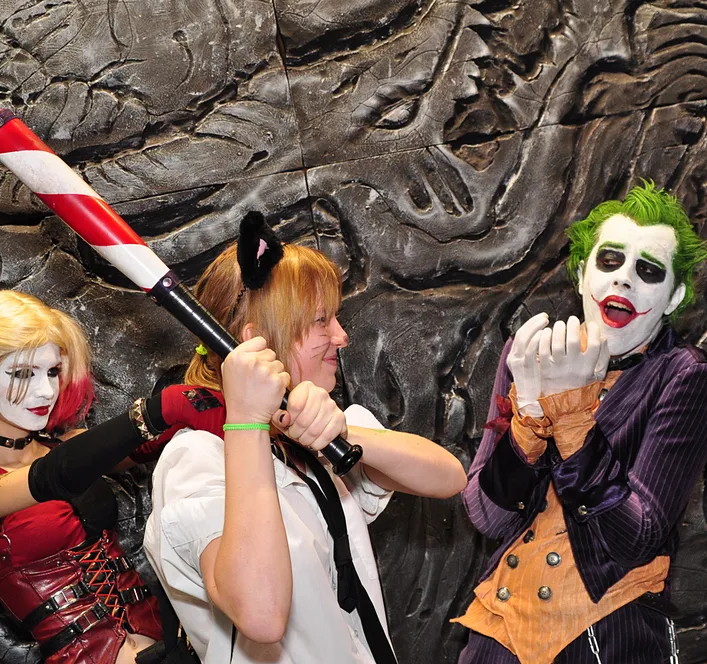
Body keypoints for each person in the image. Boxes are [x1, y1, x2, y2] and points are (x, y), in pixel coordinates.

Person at [143, 215, 468, 664]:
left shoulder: (311, 436)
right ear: (256, 343)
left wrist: (343, 433)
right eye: (321, 321)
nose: (342, 336)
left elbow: (448, 477)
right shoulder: (196, 459)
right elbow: (261, 615)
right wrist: (247, 423)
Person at [456, 182, 707, 664]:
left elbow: (635, 538)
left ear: (673, 298)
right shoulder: (533, 353)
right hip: (499, 628)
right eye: (610, 260)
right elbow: (489, 517)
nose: (624, 279)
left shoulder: (686, 375)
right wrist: (529, 420)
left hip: (604, 631)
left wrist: (574, 420)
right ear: (582, 274)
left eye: (648, 270)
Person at [0, 290, 175, 664]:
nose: (46, 391)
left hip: (168, 636)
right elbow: (49, 478)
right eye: (22, 373)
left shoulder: (69, 447)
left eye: (53, 371)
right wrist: (154, 414)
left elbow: (149, 443)